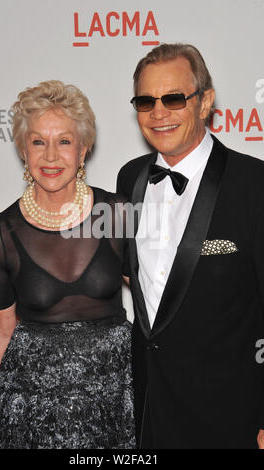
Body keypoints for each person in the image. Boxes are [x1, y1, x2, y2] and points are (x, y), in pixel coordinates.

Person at [0, 80, 136, 449]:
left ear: (83, 149)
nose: (50, 157)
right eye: (37, 142)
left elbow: (154, 299)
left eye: (63, 141)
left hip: (114, 400)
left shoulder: (119, 214)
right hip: (31, 408)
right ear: (22, 150)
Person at [116, 43, 264, 449]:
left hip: (231, 416)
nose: (158, 112)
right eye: (146, 101)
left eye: (174, 98)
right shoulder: (129, 179)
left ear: (205, 103)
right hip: (149, 410)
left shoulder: (255, 184)